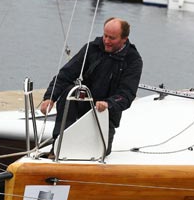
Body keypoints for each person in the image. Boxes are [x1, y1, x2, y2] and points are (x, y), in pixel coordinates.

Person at [40, 17, 143, 156]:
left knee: (101, 151)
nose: (106, 41)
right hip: (83, 104)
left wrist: (108, 104)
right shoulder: (92, 48)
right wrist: (50, 97)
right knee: (69, 91)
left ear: (124, 39)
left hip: (105, 112)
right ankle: (59, 145)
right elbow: (66, 74)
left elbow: (127, 95)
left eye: (112, 38)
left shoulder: (133, 60)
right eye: (105, 35)